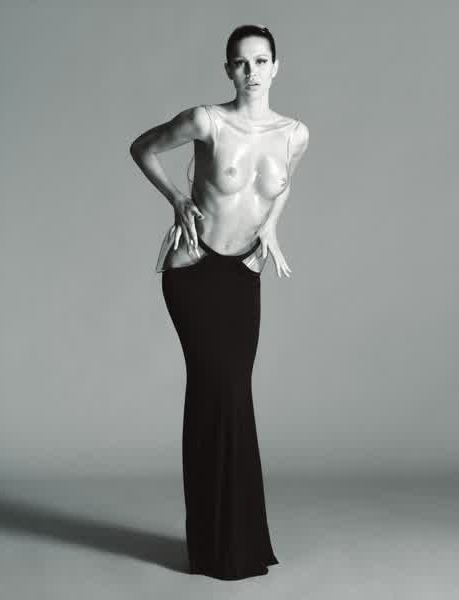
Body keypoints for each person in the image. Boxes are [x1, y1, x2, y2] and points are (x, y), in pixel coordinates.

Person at [130, 24, 309, 580]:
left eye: (261, 60)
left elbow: (282, 186)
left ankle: (237, 541)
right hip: (195, 271)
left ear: (276, 66)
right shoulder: (207, 121)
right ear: (228, 70)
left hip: (244, 274)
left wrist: (272, 228)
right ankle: (214, 545)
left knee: (234, 395)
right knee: (218, 391)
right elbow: (142, 148)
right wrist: (176, 197)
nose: (251, 72)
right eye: (240, 62)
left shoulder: (295, 134)